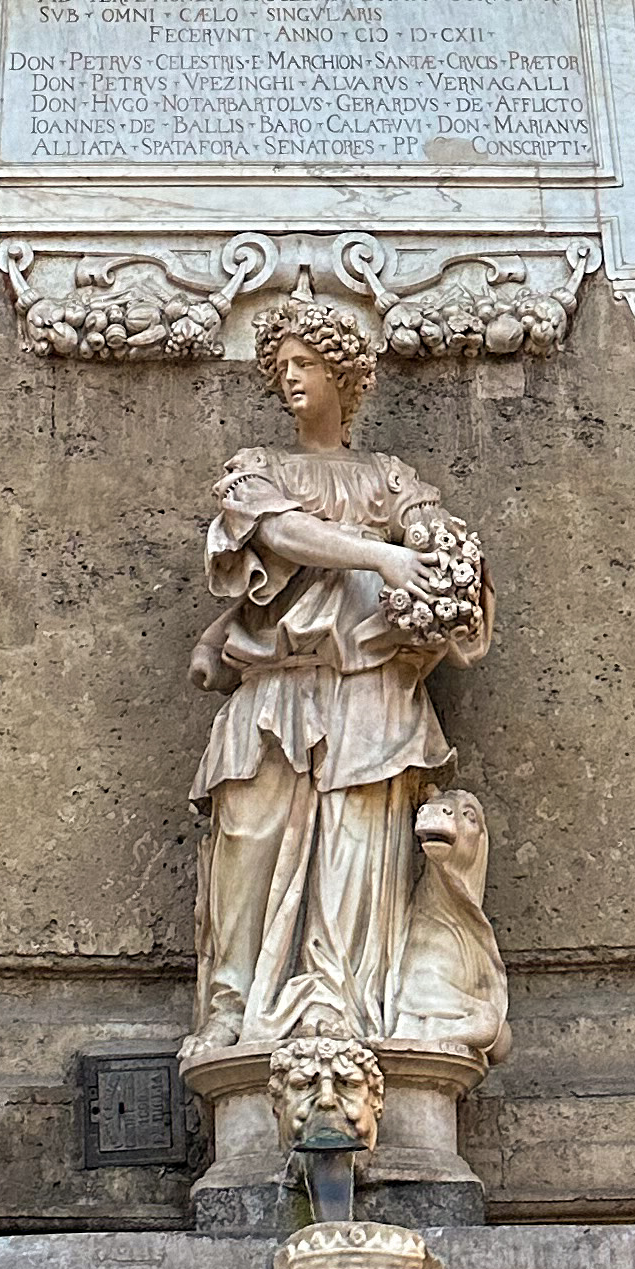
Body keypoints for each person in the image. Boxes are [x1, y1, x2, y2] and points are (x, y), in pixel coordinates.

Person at [185, 297, 502, 1068]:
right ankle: (235, 1012)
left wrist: (444, 571)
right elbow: (280, 532)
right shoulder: (258, 470)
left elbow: (446, 549)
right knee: (246, 856)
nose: (291, 378)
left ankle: (344, 1010)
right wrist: (386, 558)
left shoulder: (390, 480)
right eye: (281, 367)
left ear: (345, 376)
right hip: (275, 693)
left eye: (306, 365)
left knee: (357, 863)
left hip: (372, 697)